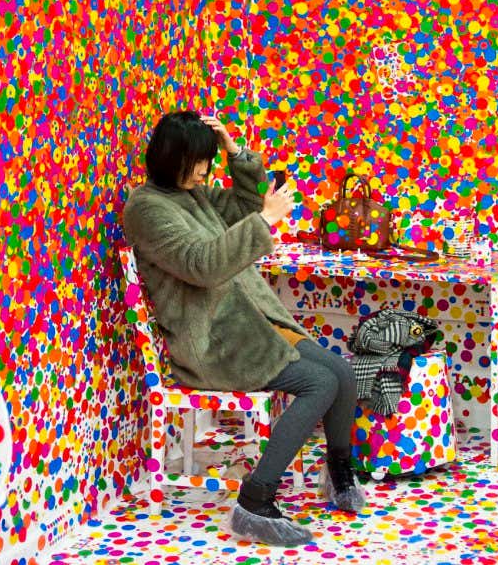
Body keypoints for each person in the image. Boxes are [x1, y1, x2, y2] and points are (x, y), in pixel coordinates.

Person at [122, 110, 365, 546]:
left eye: (208, 161)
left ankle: (339, 468)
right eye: (198, 161)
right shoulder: (146, 209)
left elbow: (246, 207)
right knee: (319, 384)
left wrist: (237, 154)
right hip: (213, 340)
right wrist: (265, 221)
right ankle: (254, 501)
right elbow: (202, 265)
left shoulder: (192, 192)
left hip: (248, 321)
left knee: (341, 374)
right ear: (172, 156)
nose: (204, 171)